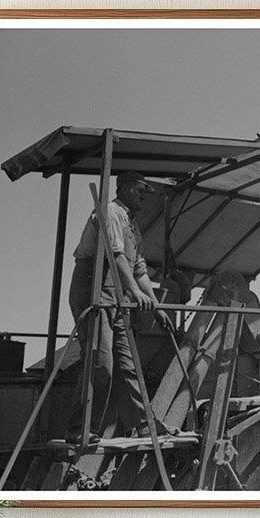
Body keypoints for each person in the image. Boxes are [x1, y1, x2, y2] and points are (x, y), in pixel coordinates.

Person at [65, 170, 171, 443]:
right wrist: (135, 293)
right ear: (123, 189)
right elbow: (115, 255)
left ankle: (144, 425)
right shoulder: (109, 212)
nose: (143, 198)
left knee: (128, 363)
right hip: (94, 288)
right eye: (138, 191)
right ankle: (79, 429)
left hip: (118, 295)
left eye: (145, 193)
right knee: (101, 362)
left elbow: (139, 270)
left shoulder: (133, 226)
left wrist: (156, 306)